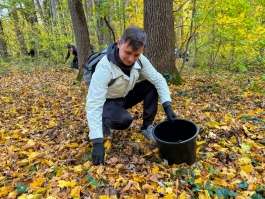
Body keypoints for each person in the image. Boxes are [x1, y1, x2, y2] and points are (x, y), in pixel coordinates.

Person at [86, 26, 178, 165]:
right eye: (128, 52)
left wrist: (167, 106)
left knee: (151, 84)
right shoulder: (104, 67)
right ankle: (104, 122)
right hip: (108, 102)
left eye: (136, 55)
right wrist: (97, 141)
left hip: (125, 95)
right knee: (124, 120)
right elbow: (93, 104)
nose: (131, 59)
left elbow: (158, 79)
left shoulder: (141, 60)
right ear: (119, 43)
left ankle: (147, 127)